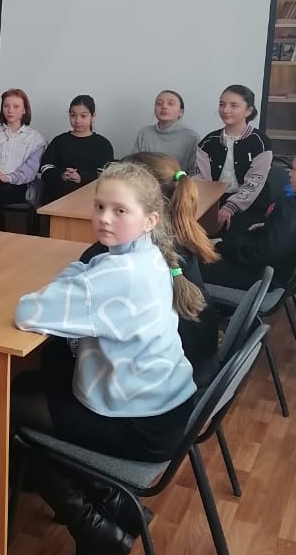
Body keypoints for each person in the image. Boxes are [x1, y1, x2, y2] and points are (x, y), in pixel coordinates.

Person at [13, 161, 200, 555]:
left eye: (119, 211)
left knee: (8, 407)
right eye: (99, 206)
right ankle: (111, 499)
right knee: (38, 376)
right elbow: (88, 282)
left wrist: (71, 275)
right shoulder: (149, 254)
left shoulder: (117, 276)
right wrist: (80, 275)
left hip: (141, 427)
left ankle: (93, 527)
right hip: (169, 408)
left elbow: (28, 312)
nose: (103, 218)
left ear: (150, 219)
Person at [80, 152, 220, 383]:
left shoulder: (132, 257)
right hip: (196, 370)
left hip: (161, 384)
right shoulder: (182, 239)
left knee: (53, 356)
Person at [202, 154, 296, 289]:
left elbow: (265, 255)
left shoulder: (291, 210)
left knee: (193, 266)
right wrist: (267, 226)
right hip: (265, 267)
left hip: (262, 279)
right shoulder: (290, 207)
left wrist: (221, 246)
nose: (290, 174)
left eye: (294, 170)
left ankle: (204, 308)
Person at [196, 83, 273, 234]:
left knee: (234, 239)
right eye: (222, 104)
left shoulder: (260, 142)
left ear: (248, 110)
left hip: (250, 204)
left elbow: (255, 182)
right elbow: (201, 177)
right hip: (214, 202)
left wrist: (230, 207)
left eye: (234, 105)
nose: (225, 110)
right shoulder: (208, 141)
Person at [0, 88, 45, 231]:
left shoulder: (35, 139)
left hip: (16, 186)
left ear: (24, 110)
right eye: (6, 106)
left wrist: (7, 177)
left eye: (16, 106)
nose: (10, 110)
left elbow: (31, 170)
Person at [38, 94, 113, 205]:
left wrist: (81, 177)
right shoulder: (59, 141)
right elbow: (45, 167)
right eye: (73, 115)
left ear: (93, 116)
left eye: (83, 116)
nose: (77, 120)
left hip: (90, 199)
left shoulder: (103, 144)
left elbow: (106, 174)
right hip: (57, 197)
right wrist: (62, 175)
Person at [132, 90, 200, 171]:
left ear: (181, 112)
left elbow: (195, 171)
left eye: (170, 103)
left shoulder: (191, 137)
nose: (164, 106)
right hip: (147, 181)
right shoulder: (145, 132)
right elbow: (134, 164)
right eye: (159, 104)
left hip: (180, 182)